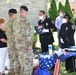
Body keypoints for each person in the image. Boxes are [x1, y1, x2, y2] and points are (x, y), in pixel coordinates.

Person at [14, 6, 33, 75]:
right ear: (24, 12)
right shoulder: (25, 21)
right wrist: (30, 46)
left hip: (18, 46)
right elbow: (28, 35)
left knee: (21, 63)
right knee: (27, 64)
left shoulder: (16, 20)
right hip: (26, 47)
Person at [4, 9, 20, 75]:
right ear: (14, 14)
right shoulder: (13, 22)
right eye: (16, 14)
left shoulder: (7, 22)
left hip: (10, 44)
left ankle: (12, 72)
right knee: (16, 59)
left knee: (11, 59)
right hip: (14, 43)